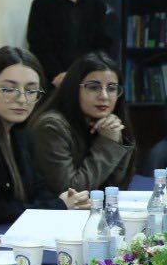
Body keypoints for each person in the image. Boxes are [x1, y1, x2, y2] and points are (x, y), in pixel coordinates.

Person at [0, 46, 87, 222]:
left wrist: (65, 200)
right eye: (9, 89)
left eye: (31, 91)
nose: (22, 99)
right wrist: (58, 205)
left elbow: (38, 188)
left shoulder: (21, 133)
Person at [30, 51, 137, 193]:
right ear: (74, 88)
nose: (104, 96)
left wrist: (116, 139)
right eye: (93, 87)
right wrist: (108, 143)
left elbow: (116, 187)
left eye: (112, 88)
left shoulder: (108, 124)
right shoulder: (51, 126)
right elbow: (71, 192)